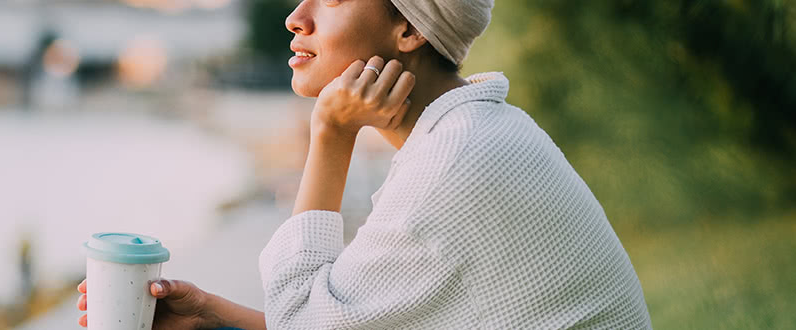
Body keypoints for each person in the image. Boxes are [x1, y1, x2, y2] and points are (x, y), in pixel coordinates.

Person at [77, 0, 652, 328]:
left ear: (408, 28)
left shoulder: (454, 165)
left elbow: (302, 318)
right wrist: (207, 315)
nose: (296, 18)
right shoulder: (470, 135)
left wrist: (330, 134)